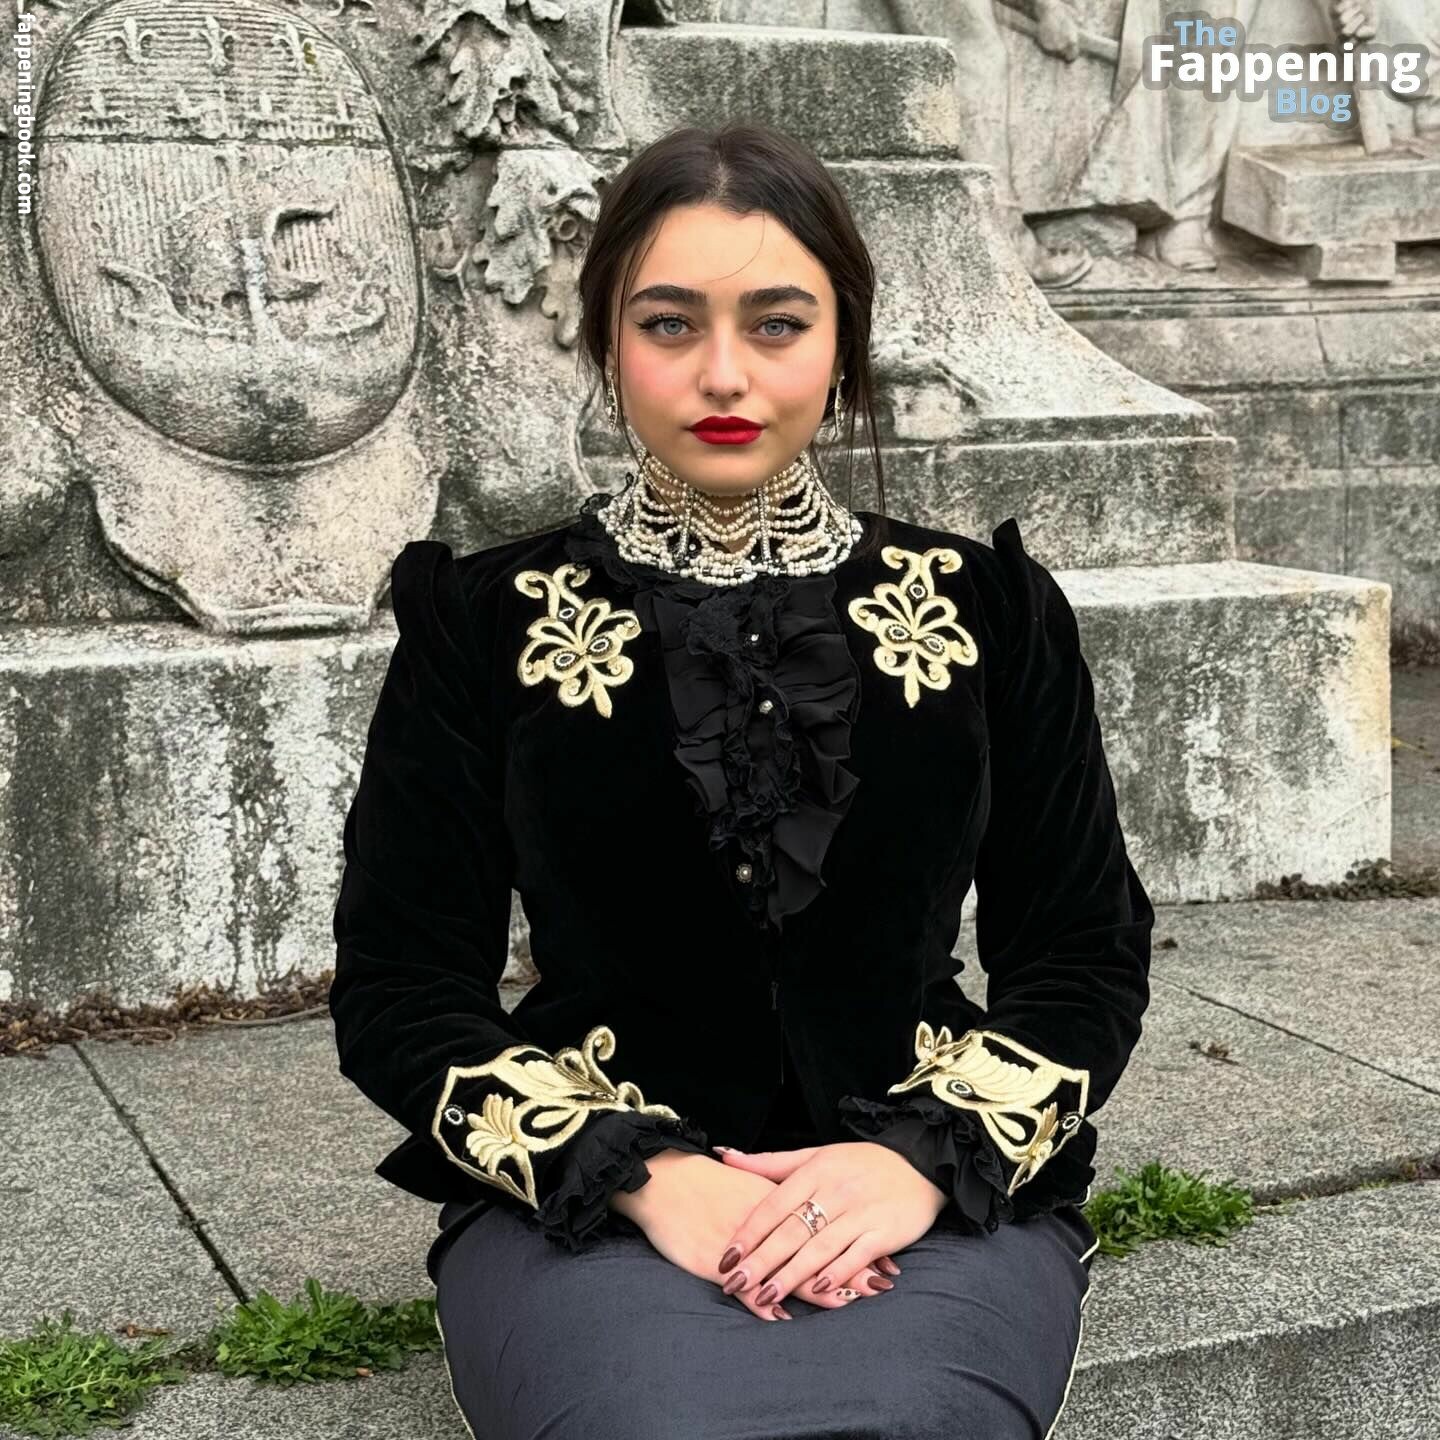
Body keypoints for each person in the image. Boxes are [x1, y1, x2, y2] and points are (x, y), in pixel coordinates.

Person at [330, 122, 1154, 1440]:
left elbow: (1081, 951)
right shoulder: (486, 621)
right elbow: (402, 986)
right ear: (606, 341)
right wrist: (646, 1176)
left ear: (844, 343)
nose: (724, 374)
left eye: (777, 325)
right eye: (669, 325)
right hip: (585, 1207)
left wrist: (919, 1161)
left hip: (930, 1192)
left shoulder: (986, 607)